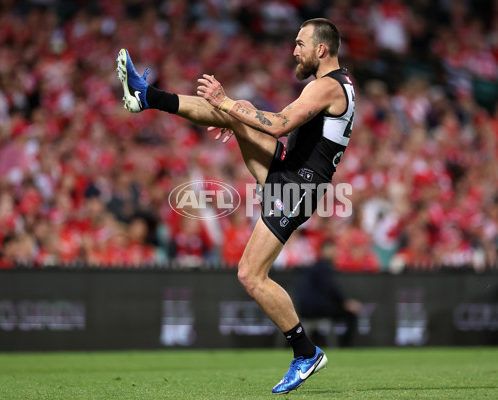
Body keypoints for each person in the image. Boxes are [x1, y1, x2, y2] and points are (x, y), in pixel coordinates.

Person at [116, 18, 355, 394]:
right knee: (235, 110)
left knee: (250, 274)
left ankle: (306, 353)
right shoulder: (334, 85)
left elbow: (279, 124)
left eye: (300, 43)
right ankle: (146, 96)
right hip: (289, 173)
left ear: (321, 49)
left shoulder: (327, 86)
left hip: (296, 187)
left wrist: (228, 103)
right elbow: (281, 127)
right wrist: (237, 115)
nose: (294, 50)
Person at [296, 239, 362, 347]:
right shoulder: (322, 268)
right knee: (351, 315)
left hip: (310, 309)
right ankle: (346, 346)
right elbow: (331, 290)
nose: (334, 252)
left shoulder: (319, 267)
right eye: (331, 249)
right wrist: (345, 303)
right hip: (316, 310)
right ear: (323, 250)